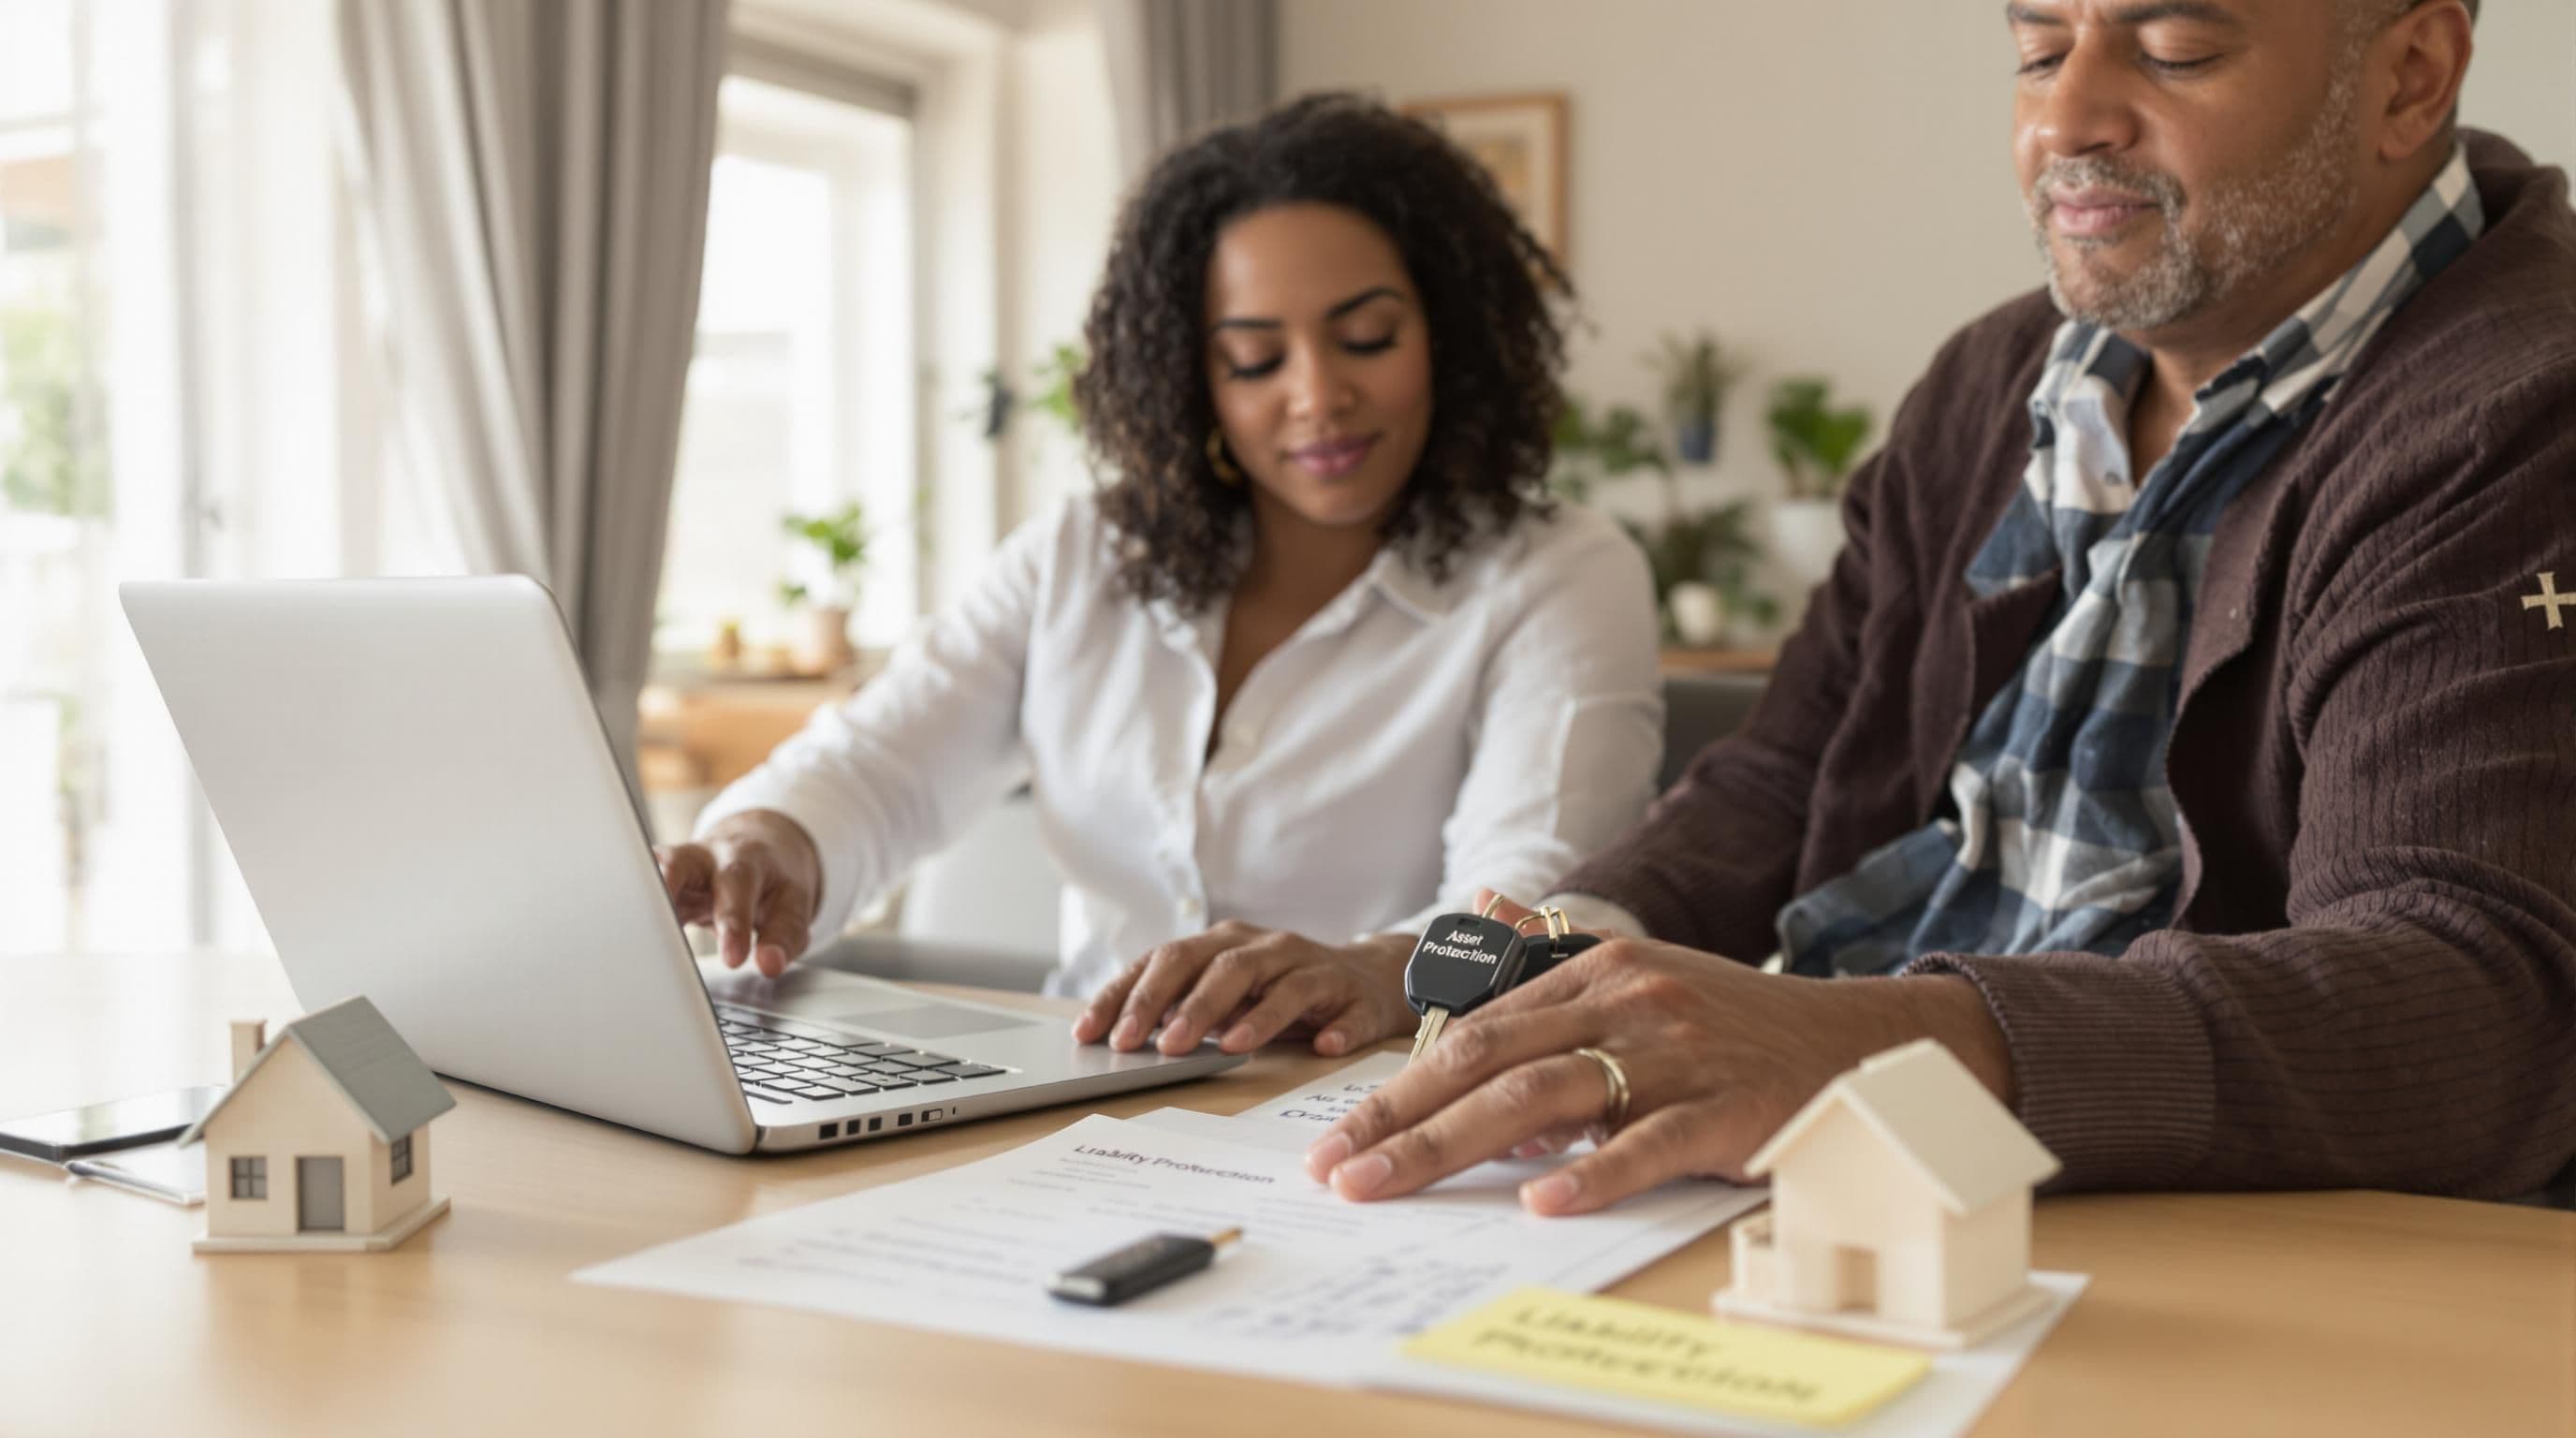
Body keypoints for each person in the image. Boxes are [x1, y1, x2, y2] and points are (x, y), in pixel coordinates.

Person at [1307, 0, 2576, 1214]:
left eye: (2176, 50)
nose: (2066, 118)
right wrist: (1494, 968)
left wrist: (1866, 1045)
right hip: (1851, 1172)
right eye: (2036, 49)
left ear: (2409, 78)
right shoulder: (1993, 379)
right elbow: (1785, 775)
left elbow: (2475, 992)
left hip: (2181, 1219)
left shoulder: (2521, 407)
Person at [656, 95, 1662, 1061]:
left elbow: (1533, 893)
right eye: (1256, 360)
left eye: (1366, 338)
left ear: (1449, 333)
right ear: (1193, 378)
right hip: (1079, 1103)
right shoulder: (1083, 556)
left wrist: (1376, 968)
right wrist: (766, 842)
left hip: (1376, 1102)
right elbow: (879, 765)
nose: (1319, 395)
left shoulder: (1560, 574)